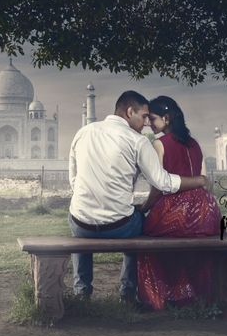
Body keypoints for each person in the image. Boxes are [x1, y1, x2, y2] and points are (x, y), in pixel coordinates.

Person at [68, 90, 208, 304]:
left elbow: (74, 179)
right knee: (141, 225)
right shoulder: (137, 141)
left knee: (79, 217)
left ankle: (81, 292)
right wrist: (198, 181)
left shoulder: (83, 132)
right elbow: (163, 183)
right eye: (143, 116)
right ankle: (127, 291)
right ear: (129, 111)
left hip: (81, 224)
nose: (145, 124)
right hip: (119, 226)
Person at [137, 96, 223, 310]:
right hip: (206, 210)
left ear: (166, 118)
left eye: (153, 118)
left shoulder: (159, 144)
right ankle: (195, 297)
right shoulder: (194, 143)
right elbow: (201, 179)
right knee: (192, 250)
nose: (149, 123)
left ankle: (160, 299)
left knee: (145, 239)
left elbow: (159, 186)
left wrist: (144, 208)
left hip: (176, 210)